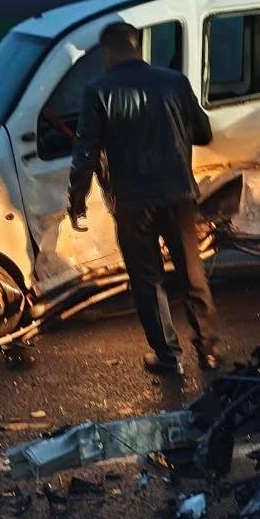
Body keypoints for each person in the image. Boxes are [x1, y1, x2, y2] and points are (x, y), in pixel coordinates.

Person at [67, 21, 221, 377]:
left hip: (132, 201)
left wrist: (76, 201)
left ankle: (169, 357)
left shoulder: (98, 92)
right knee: (191, 272)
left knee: (148, 279)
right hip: (179, 195)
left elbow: (84, 154)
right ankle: (209, 352)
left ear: (108, 52)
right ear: (137, 46)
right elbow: (203, 131)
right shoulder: (174, 82)